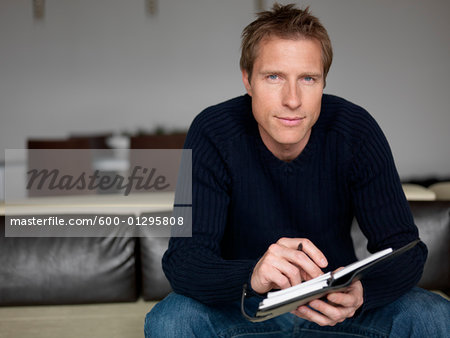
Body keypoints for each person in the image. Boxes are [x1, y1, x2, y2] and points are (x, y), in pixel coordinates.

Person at [145, 3, 450, 337]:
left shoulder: (356, 130)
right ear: (248, 80)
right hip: (246, 310)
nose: (292, 99)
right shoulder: (213, 131)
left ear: (323, 83)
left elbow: (406, 249)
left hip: (335, 312)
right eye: (274, 77)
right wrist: (253, 275)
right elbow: (183, 261)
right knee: (170, 319)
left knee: (433, 313)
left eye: (307, 78)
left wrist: (363, 293)